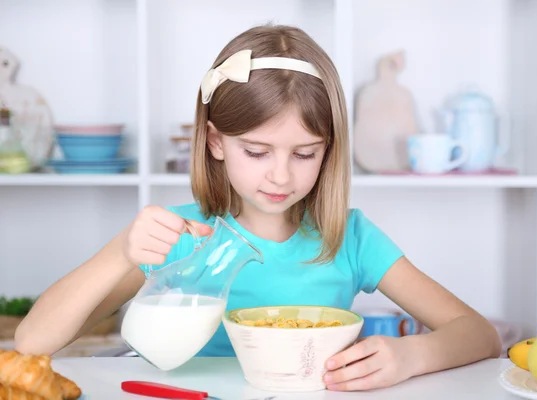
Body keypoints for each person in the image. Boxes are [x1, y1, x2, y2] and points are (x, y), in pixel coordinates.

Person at [15, 24, 500, 391]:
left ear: (329, 150)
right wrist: (121, 251)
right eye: (257, 151)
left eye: (305, 153)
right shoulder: (179, 233)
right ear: (215, 142)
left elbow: (479, 334)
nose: (281, 175)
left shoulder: (349, 238)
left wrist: (412, 356)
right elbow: (33, 342)